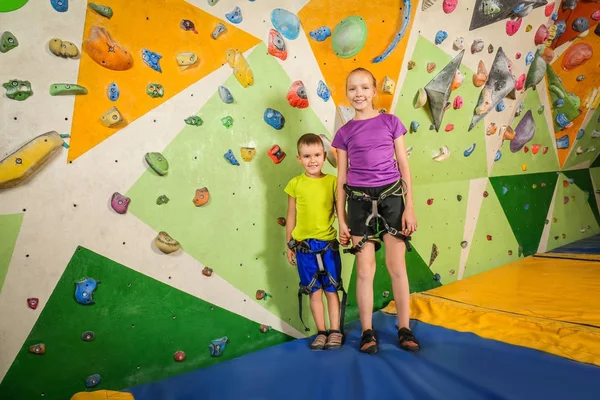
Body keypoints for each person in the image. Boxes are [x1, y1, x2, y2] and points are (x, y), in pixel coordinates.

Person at [331, 67, 419, 355]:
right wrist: (341, 220)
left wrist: (410, 209)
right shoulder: (344, 133)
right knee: (365, 270)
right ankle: (367, 331)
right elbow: (341, 179)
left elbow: (404, 167)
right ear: (347, 93)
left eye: (364, 87)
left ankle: (404, 329)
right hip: (357, 200)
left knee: (397, 268)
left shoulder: (391, 122)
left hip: (392, 198)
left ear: (374, 90)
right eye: (353, 88)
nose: (359, 93)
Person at [284, 133, 344, 350]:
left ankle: (335, 330)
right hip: (304, 248)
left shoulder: (333, 182)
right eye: (307, 156)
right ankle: (321, 331)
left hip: (328, 246)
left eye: (317, 155)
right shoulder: (295, 184)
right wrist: (289, 243)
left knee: (331, 290)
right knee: (314, 292)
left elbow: (340, 212)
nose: (313, 160)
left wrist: (345, 229)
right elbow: (291, 215)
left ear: (324, 155)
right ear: (299, 158)